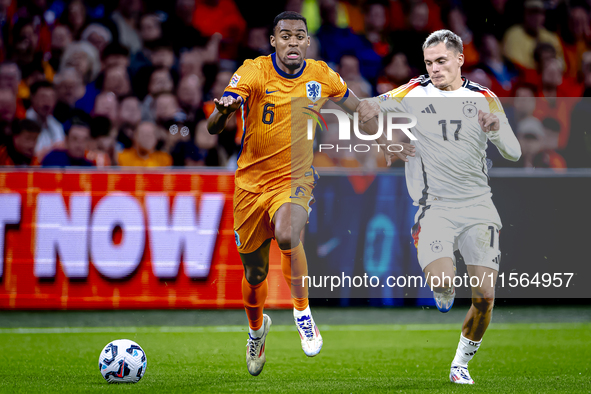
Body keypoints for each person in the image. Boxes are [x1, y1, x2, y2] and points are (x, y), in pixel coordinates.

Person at [358, 29, 521, 385]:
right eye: (429, 62)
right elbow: (366, 107)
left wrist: (495, 129)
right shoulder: (413, 91)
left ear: (460, 59)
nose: (434, 68)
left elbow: (514, 151)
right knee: (444, 284)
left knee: (485, 297)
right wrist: (388, 142)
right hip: (434, 209)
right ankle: (441, 280)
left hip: (479, 207)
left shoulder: (485, 98)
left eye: (441, 61)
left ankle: (460, 364)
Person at [207, 11, 363, 376]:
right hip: (250, 184)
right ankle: (257, 330)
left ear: (307, 42)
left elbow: (359, 107)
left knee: (289, 232)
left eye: (299, 36)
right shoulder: (254, 71)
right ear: (273, 41)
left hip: (294, 178)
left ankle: (302, 312)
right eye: (285, 36)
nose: (293, 42)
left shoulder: (322, 74)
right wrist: (223, 112)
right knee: (255, 274)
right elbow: (214, 126)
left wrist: (384, 122)